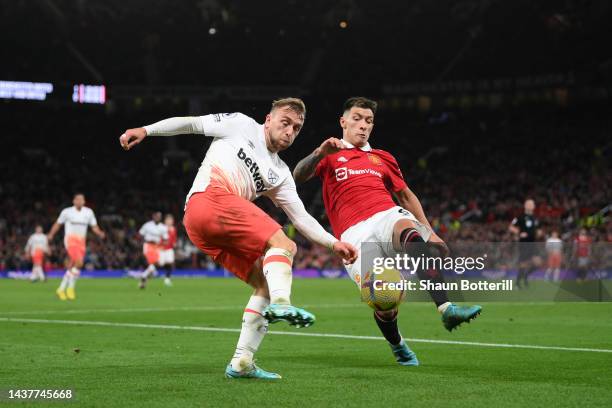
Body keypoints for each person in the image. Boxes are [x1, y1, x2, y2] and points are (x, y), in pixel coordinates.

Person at [119, 97, 357, 379]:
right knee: (284, 245)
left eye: (297, 127)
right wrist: (147, 130)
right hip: (208, 199)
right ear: (268, 119)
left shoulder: (280, 173)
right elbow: (192, 124)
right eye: (285, 122)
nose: (290, 131)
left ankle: (242, 361)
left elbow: (302, 217)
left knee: (264, 284)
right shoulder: (241, 124)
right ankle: (283, 304)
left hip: (206, 228)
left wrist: (333, 242)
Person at [293, 97, 482, 367]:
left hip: (385, 214)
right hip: (353, 234)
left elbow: (404, 195)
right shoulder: (330, 153)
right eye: (357, 118)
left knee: (408, 231)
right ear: (343, 121)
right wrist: (318, 153)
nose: (363, 125)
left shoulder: (382, 158)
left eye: (369, 121)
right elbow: (298, 175)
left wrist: (430, 231)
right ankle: (398, 345)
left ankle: (446, 308)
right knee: (385, 301)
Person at [47, 193, 105, 300]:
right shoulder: (67, 212)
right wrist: (51, 234)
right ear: (73, 201)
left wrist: (100, 233)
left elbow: (94, 226)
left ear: (84, 201)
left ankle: (61, 289)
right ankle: (70, 288)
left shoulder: (88, 212)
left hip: (81, 241)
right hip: (70, 240)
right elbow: (58, 224)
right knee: (79, 263)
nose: (79, 201)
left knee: (72, 265)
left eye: (81, 199)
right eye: (77, 199)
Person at [509, 199, 542, 288]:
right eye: (529, 204)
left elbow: (539, 230)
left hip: (533, 243)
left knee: (538, 263)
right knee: (524, 264)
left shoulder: (535, 218)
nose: (531, 205)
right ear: (525, 206)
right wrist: (519, 233)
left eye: (532, 204)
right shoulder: (520, 217)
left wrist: (539, 233)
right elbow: (511, 227)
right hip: (524, 243)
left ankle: (526, 275)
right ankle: (518, 283)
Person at [138, 212, 169, 289]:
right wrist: (141, 243)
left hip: (157, 246)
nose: (157, 217)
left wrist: (162, 245)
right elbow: (140, 234)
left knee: (156, 265)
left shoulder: (163, 227)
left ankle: (143, 277)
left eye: (159, 216)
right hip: (148, 245)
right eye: (156, 216)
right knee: (153, 263)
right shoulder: (147, 225)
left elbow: (166, 239)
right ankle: (144, 277)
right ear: (153, 216)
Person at [159, 214, 177, 287]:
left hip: (169, 249)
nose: (170, 221)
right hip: (162, 249)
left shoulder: (173, 229)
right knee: (160, 264)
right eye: (168, 220)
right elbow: (159, 238)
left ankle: (167, 279)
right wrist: (160, 245)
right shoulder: (162, 228)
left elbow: (174, 239)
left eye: (171, 220)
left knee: (170, 263)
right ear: (165, 221)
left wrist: (174, 243)